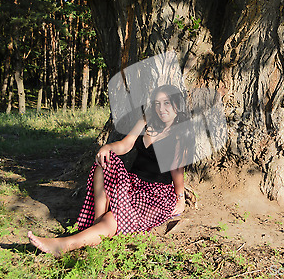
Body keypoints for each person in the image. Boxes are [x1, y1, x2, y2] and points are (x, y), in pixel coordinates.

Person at [28, 84, 192, 257]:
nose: (161, 108)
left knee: (112, 218)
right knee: (104, 161)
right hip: (132, 184)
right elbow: (126, 144)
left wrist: (179, 198)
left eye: (166, 103)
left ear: (176, 104)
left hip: (155, 195)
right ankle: (97, 225)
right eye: (157, 103)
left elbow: (177, 169)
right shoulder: (147, 119)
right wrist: (108, 147)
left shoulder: (180, 132)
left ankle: (62, 245)